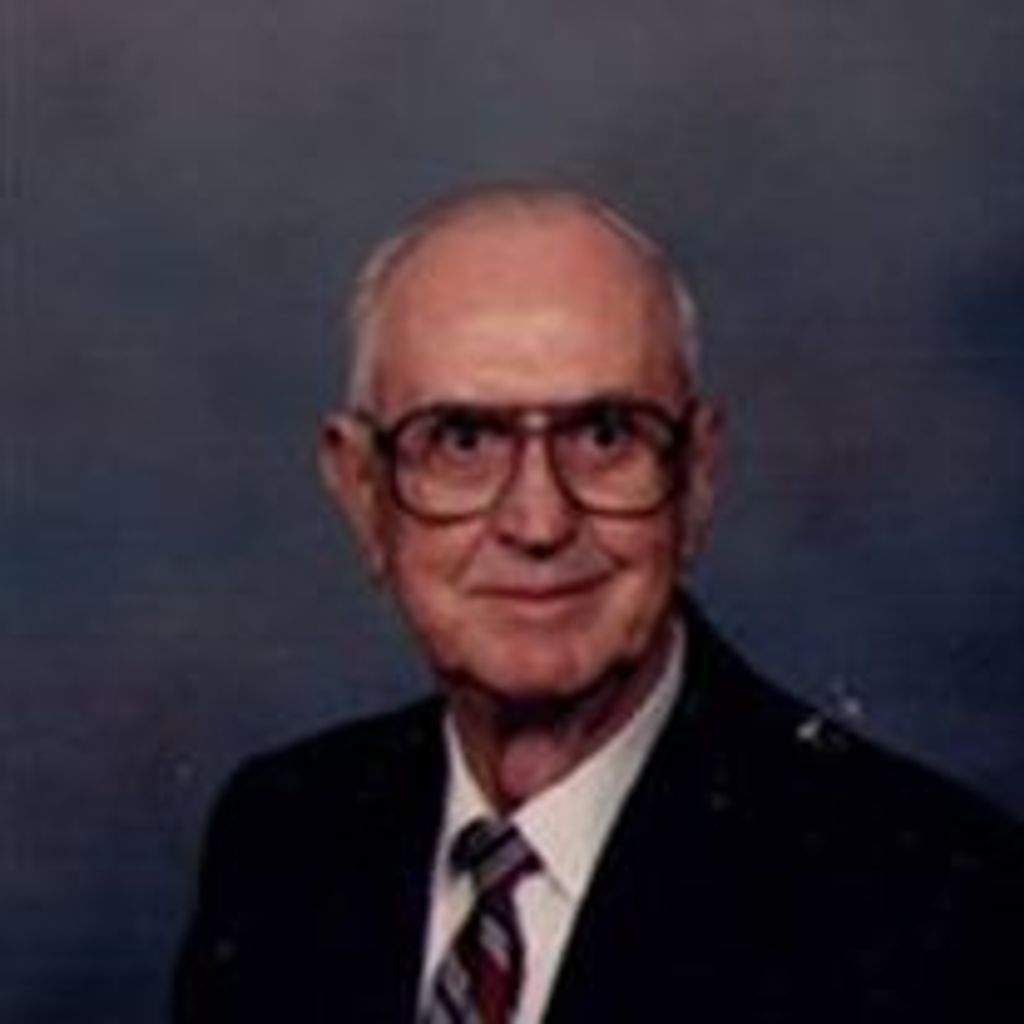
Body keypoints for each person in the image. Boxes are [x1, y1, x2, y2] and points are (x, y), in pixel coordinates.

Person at [174, 184, 1020, 1023]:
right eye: (462, 440)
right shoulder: (282, 838)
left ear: (696, 480)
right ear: (363, 491)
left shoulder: (928, 903)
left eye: (605, 435)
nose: (538, 521)